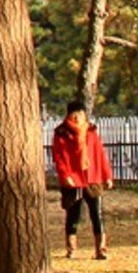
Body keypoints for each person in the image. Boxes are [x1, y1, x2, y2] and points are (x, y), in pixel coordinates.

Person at [50, 99, 113, 261]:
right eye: (74, 114)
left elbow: (100, 154)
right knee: (73, 215)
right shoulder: (61, 133)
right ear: (69, 115)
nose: (78, 117)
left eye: (80, 114)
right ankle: (71, 249)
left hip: (93, 177)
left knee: (97, 214)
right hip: (74, 179)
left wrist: (107, 175)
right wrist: (66, 176)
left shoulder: (91, 131)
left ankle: (101, 249)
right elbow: (59, 157)